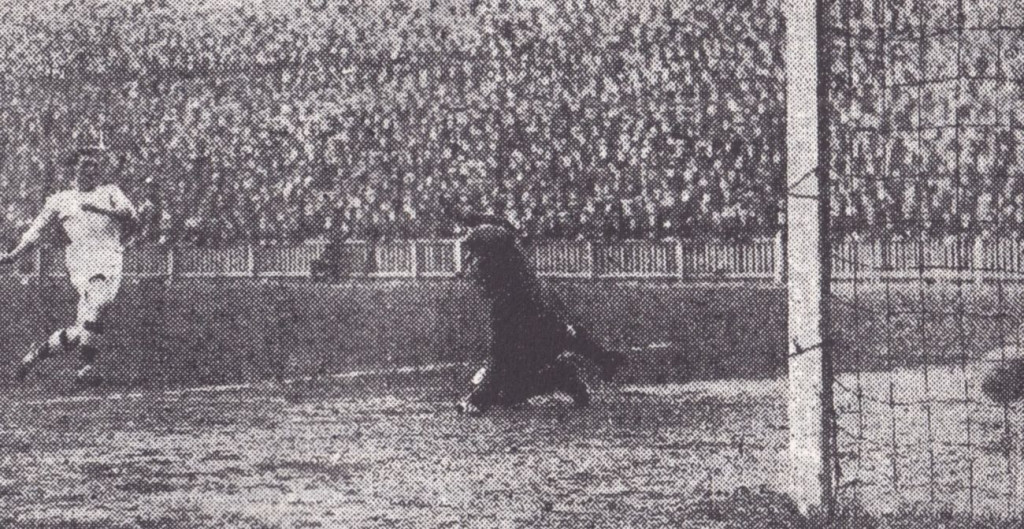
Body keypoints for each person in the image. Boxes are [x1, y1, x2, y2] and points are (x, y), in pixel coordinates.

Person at [453, 217, 626, 416]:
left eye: (477, 256)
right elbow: (568, 334)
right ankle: (562, 375)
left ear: (494, 260)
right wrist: (601, 357)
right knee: (502, 383)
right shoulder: (523, 283)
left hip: (532, 348)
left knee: (506, 391)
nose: (473, 265)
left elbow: (500, 356)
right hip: (543, 342)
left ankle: (560, 376)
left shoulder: (509, 297)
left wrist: (477, 399)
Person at [1, 147, 138, 384]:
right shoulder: (60, 199)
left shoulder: (110, 192)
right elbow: (35, 231)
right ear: (73, 169)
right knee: (98, 301)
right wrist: (13, 255)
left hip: (111, 258)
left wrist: (100, 209)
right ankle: (85, 368)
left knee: (80, 330)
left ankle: (35, 355)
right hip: (81, 260)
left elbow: (131, 215)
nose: (92, 169)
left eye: (95, 165)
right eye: (86, 164)